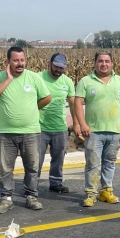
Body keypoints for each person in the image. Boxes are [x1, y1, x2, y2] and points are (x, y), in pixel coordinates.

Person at [0, 46, 51, 214]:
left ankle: (31, 196)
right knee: (6, 168)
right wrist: (8, 79)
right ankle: (6, 198)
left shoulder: (33, 77)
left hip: (31, 131)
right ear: (8, 62)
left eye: (22, 60)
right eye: (16, 60)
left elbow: (46, 98)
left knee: (32, 166)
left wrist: (32, 109)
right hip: (5, 132)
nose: (20, 63)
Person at [74, 50, 120, 207]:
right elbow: (78, 103)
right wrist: (83, 124)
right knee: (92, 163)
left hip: (114, 131)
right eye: (100, 61)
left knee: (109, 162)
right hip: (93, 131)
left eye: (107, 61)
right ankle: (91, 193)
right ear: (95, 63)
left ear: (112, 64)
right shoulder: (86, 81)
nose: (104, 64)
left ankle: (106, 190)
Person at [37, 53, 76, 193]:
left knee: (58, 158)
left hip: (60, 128)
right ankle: (31, 185)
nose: (59, 70)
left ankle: (55, 183)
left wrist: (76, 124)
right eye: (56, 67)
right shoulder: (38, 78)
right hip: (39, 127)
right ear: (49, 63)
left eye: (62, 68)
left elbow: (73, 105)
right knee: (36, 159)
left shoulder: (67, 82)